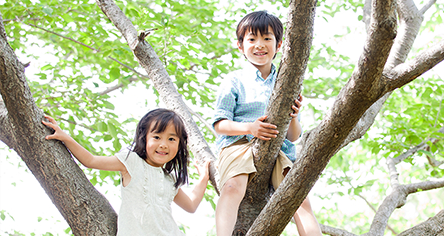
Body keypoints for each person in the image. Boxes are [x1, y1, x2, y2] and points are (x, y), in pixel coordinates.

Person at [212, 11, 322, 236]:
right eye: (251, 39)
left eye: (267, 38)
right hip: (238, 144)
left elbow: (293, 136)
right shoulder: (234, 80)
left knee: (300, 201)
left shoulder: (287, 81)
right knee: (233, 188)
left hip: (280, 151)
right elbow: (220, 124)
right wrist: (250, 128)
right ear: (240, 46)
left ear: (279, 44)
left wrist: (292, 116)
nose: (259, 45)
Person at [42, 108, 210, 236]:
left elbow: (191, 205)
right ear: (144, 138)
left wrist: (203, 178)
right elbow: (91, 161)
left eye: (171, 139)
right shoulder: (132, 162)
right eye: (157, 137)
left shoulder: (169, 179)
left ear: (179, 145)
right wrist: (65, 137)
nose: (164, 144)